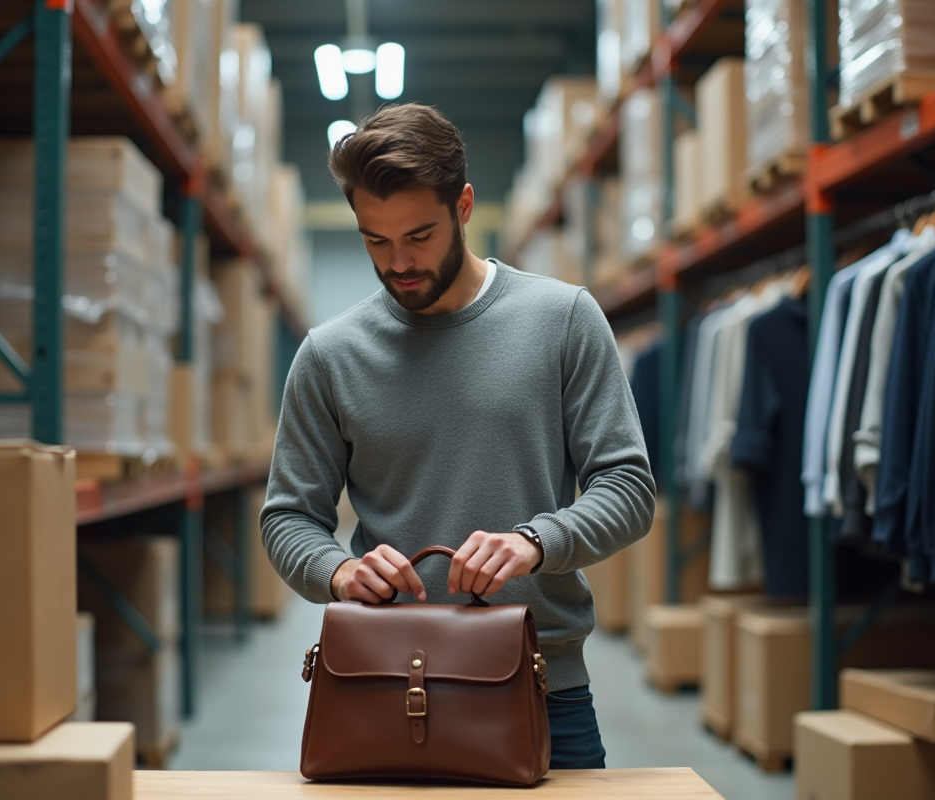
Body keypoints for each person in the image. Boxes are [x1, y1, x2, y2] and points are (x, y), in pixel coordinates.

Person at [261, 103, 656, 769]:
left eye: (419, 235)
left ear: (465, 206)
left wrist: (537, 542)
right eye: (375, 241)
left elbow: (629, 488)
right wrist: (341, 570)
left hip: (542, 687)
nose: (400, 262)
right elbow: (288, 518)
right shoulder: (329, 355)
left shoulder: (563, 321)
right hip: (382, 685)